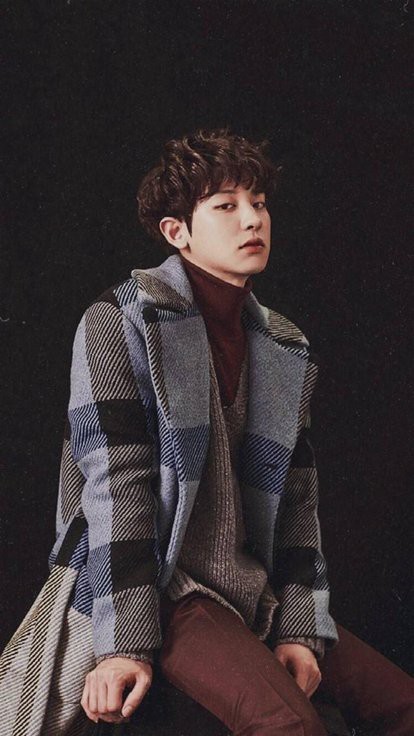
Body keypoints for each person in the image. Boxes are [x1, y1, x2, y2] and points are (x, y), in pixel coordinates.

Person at [1, 129, 413, 736]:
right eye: (226, 206)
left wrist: (300, 629)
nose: (252, 219)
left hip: (251, 590)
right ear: (178, 232)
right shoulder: (118, 322)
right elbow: (116, 491)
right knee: (290, 726)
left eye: (259, 203)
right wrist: (124, 644)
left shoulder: (283, 344)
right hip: (165, 587)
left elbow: (297, 505)